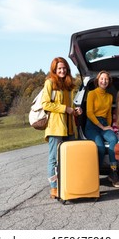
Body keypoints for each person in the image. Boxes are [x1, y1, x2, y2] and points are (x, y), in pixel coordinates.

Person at [42, 57, 82, 199]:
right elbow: (45, 104)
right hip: (56, 127)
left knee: (69, 157)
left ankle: (67, 184)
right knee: (54, 158)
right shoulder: (50, 83)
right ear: (54, 70)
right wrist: (65, 109)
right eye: (59, 68)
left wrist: (75, 110)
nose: (62, 70)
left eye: (64, 68)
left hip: (69, 127)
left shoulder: (69, 85)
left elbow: (71, 106)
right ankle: (54, 187)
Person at [85, 71, 119, 188]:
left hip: (104, 124)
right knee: (99, 147)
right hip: (92, 124)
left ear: (109, 82)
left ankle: (113, 172)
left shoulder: (110, 97)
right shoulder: (92, 94)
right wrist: (102, 126)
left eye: (106, 79)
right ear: (98, 80)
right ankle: (95, 175)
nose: (104, 81)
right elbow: (89, 113)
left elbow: (109, 114)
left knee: (113, 139)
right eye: (102, 79)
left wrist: (109, 126)